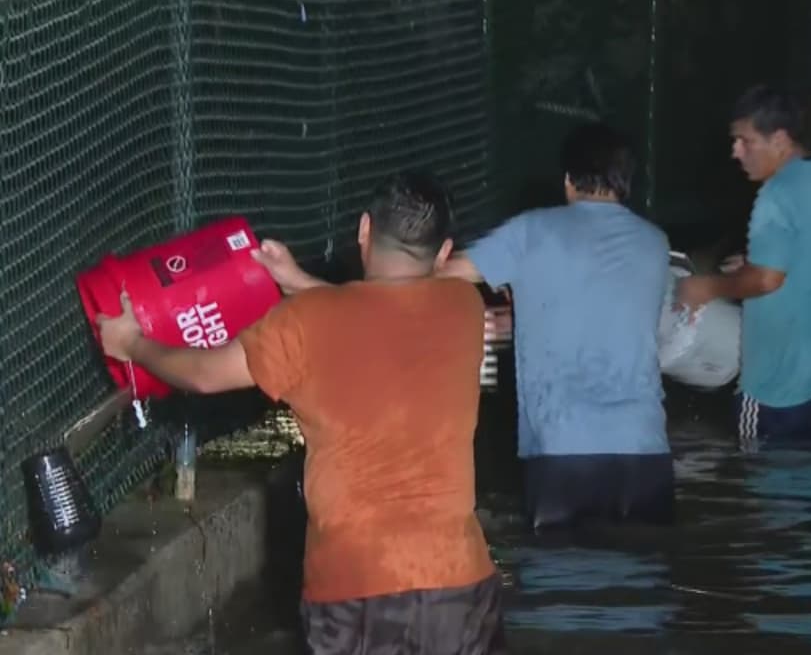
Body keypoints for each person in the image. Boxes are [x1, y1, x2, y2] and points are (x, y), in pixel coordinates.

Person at [96, 173, 506, 655]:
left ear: (364, 231)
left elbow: (206, 375)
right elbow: (380, 317)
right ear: (443, 253)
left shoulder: (308, 324)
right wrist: (299, 284)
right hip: (461, 586)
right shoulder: (461, 307)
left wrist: (133, 344)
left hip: (354, 590)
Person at [437, 122, 674, 531]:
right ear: (626, 181)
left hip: (563, 450)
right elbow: (609, 310)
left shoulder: (533, 230)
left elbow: (445, 274)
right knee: (641, 583)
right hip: (646, 450)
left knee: (559, 585)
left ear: (568, 181)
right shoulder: (655, 242)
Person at [677, 84, 811, 449]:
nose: (736, 152)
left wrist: (707, 287)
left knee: (769, 487)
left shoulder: (775, 193)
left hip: (777, 387)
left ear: (779, 139)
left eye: (745, 141)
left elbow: (766, 280)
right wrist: (761, 262)